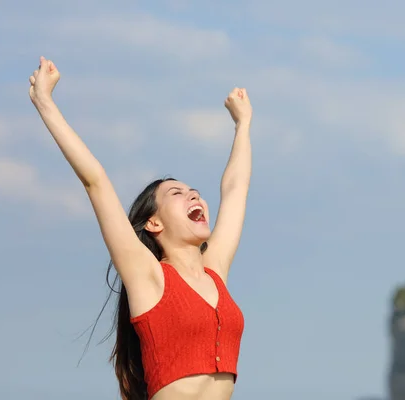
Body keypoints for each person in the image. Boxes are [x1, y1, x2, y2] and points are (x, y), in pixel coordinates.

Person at [28, 56, 252, 400]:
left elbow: (235, 189)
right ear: (154, 222)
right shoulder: (148, 277)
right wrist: (45, 102)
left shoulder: (215, 271)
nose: (193, 195)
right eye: (176, 193)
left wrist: (243, 124)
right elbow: (95, 182)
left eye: (195, 192)